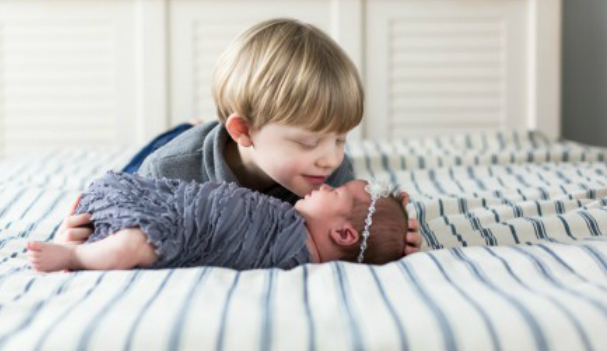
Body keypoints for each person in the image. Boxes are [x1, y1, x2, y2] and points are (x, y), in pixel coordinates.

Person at [54, 18, 422, 253]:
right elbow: (119, 211)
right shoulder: (172, 169)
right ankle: (188, 126)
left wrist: (390, 236)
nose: (331, 158)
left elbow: (356, 227)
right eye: (309, 142)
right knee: (127, 175)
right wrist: (78, 236)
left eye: (341, 138)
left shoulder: (328, 175)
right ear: (245, 130)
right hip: (183, 148)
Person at [28, 172, 409, 272]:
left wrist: (393, 223)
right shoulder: (299, 219)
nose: (326, 180)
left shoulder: (293, 248)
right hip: (178, 206)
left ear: (343, 233)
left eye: (336, 190)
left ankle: (75, 258)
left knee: (134, 244)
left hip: (178, 231)